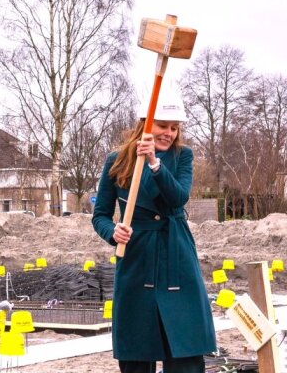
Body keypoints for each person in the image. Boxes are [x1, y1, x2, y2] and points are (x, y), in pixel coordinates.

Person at [91, 104, 216, 372]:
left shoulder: (183, 156)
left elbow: (178, 198)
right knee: (137, 345)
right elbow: (99, 215)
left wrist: (154, 164)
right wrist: (112, 232)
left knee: (185, 345)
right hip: (136, 256)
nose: (169, 133)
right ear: (145, 124)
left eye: (174, 128)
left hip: (176, 253)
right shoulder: (116, 160)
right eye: (163, 126)